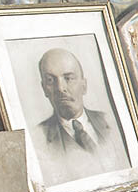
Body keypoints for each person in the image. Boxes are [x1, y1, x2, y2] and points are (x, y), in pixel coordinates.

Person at [34, 48, 129, 184]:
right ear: (44, 88)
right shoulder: (39, 139)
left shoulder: (111, 122)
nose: (60, 88)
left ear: (84, 85)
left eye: (68, 78)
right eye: (50, 80)